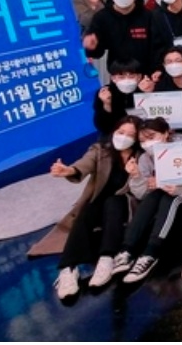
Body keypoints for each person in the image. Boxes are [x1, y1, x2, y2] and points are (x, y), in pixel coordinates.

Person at [47, 116, 143, 299]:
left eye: (131, 134)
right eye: (121, 132)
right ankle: (68, 269)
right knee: (87, 210)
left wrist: (135, 174)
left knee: (113, 201)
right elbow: (85, 163)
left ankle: (106, 259)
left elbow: (140, 190)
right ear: (114, 131)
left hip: (125, 204)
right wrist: (69, 170)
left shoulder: (141, 156)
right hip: (99, 203)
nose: (124, 137)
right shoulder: (100, 150)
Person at [113, 117, 182, 284]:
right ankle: (126, 250)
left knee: (168, 198)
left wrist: (177, 188)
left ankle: (150, 253)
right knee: (153, 196)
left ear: (165, 134)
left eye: (151, 137)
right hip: (160, 198)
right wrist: (137, 176)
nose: (147, 143)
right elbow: (141, 194)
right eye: (142, 140)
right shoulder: (145, 158)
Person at [83, 0, 156, 75]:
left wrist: (156, 70)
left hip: (146, 73)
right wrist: (92, 47)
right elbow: (97, 53)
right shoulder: (101, 17)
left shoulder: (148, 16)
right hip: (118, 75)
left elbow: (157, 46)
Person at [93, 58, 154, 135]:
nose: (127, 80)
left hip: (141, 132)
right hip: (113, 134)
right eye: (121, 77)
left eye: (131, 76)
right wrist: (107, 104)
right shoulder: (105, 92)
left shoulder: (145, 88)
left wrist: (148, 95)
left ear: (139, 77)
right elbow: (102, 126)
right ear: (113, 78)